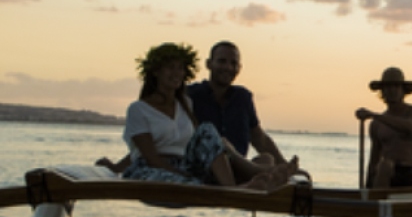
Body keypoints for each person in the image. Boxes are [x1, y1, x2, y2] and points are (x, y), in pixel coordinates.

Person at [110, 42, 297, 190]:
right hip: (167, 169)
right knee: (214, 155)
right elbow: (149, 150)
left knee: (260, 155)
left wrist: (284, 165)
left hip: (205, 166)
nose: (176, 73)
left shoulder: (189, 103)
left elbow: (258, 137)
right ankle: (245, 185)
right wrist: (117, 168)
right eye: (170, 67)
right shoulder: (151, 106)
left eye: (180, 69)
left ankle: (251, 181)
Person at [187, 40, 288, 168]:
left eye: (233, 63)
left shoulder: (242, 98)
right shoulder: (191, 95)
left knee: (267, 159)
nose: (228, 67)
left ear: (239, 68)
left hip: (238, 168)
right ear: (209, 64)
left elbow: (259, 138)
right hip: (204, 167)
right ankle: (257, 176)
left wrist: (285, 165)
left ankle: (256, 176)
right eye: (222, 61)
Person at [355, 66, 412, 189]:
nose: (392, 90)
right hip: (389, 173)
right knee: (384, 165)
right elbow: (374, 158)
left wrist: (373, 115)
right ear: (382, 91)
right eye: (388, 87)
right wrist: (367, 188)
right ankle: (377, 202)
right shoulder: (376, 124)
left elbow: (411, 126)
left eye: (396, 86)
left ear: (403, 90)